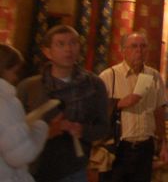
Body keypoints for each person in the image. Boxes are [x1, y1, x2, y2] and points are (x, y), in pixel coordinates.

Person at [18, 25, 109, 182]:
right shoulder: (30, 87)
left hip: (74, 167)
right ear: (47, 52)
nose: (68, 49)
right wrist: (47, 131)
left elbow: (104, 127)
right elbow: (14, 129)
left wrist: (82, 130)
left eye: (73, 43)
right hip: (36, 167)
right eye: (61, 44)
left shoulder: (93, 85)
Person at [98, 31, 168, 181]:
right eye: (134, 46)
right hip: (119, 148)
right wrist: (118, 103)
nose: (139, 51)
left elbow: (159, 112)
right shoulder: (108, 76)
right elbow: (95, 112)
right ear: (123, 50)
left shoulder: (154, 76)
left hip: (145, 147)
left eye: (143, 46)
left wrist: (163, 144)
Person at [0, 43, 51, 182]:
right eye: (14, 72)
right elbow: (18, 154)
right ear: (4, 69)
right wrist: (39, 128)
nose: (16, 78)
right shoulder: (6, 101)